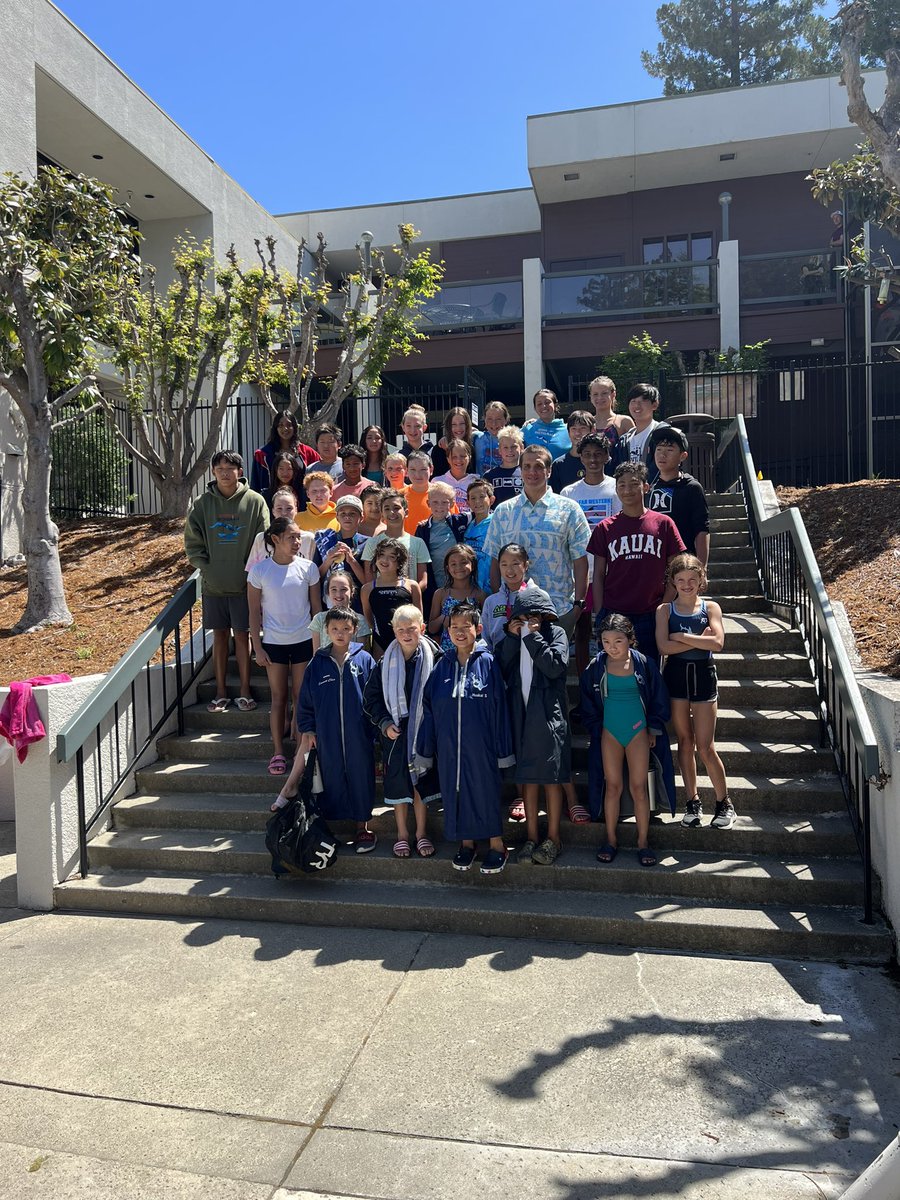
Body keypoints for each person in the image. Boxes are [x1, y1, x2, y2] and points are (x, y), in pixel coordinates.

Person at [416, 603, 515, 874]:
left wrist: (503, 751)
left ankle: (497, 846)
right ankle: (467, 844)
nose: (460, 632)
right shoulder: (442, 666)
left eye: (466, 626)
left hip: (482, 746)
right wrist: (426, 749)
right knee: (455, 793)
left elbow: (501, 709)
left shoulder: (489, 663)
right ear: (447, 631)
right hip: (449, 748)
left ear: (478, 629)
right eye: (454, 627)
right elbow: (429, 708)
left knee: (484, 793)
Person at [578, 613, 675, 868]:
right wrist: (596, 728)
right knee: (612, 787)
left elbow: (658, 698)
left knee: (639, 788)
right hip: (610, 732)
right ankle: (610, 839)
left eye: (618, 641)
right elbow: (587, 701)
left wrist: (653, 728)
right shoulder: (596, 666)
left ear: (631, 639)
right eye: (606, 641)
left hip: (638, 731)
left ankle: (643, 842)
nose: (612, 647)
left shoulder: (645, 664)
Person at [185, 450, 269, 715]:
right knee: (220, 638)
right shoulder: (202, 504)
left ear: (240, 472)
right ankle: (221, 693)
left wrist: (253, 576)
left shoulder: (255, 501)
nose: (225, 472)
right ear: (213, 472)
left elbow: (263, 540)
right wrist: (206, 567)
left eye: (230, 468)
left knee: (242, 637)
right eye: (219, 467)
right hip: (214, 585)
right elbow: (192, 541)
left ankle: (244, 691)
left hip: (245, 586)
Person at [655, 553, 735, 830]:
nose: (686, 584)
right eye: (680, 580)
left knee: (705, 746)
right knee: (685, 743)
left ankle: (724, 803)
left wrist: (681, 637)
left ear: (701, 579)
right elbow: (663, 648)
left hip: (703, 677)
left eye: (692, 579)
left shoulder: (710, 607)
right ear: (673, 582)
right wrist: (699, 641)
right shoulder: (664, 610)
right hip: (676, 678)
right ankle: (693, 802)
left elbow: (718, 643)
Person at [292, 607, 378, 852]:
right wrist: (308, 730)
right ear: (326, 631)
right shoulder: (317, 664)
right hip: (326, 736)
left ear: (354, 631)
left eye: (346, 629)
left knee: (361, 779)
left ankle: (362, 827)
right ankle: (329, 828)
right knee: (330, 779)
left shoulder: (365, 660)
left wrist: (372, 731)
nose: (340, 634)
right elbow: (305, 701)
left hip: (358, 735)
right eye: (335, 629)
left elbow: (374, 698)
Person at [496, 586, 571, 866]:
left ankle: (553, 838)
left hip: (548, 715)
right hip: (520, 714)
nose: (529, 621)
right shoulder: (513, 637)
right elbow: (500, 668)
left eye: (535, 616)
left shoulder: (556, 634)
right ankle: (530, 837)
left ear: (546, 616)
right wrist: (514, 637)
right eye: (524, 616)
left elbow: (555, 667)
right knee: (526, 776)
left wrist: (534, 637)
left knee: (551, 777)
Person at [485, 444, 590, 633]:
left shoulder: (569, 509)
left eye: (539, 466)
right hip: (514, 614)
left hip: (559, 610)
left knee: (555, 663)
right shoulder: (503, 512)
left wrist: (578, 606)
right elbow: (494, 561)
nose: (532, 472)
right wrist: (501, 602)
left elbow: (581, 561)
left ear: (549, 471)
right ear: (520, 469)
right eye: (527, 466)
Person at [363, 604, 441, 858]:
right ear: (393, 631)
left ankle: (420, 833)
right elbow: (371, 699)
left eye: (412, 628)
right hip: (395, 735)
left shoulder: (435, 659)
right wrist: (384, 723)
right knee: (398, 784)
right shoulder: (385, 662)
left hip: (422, 732)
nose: (406, 634)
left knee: (420, 783)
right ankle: (402, 835)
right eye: (400, 629)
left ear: (423, 628)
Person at [589, 461, 685, 664]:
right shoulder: (605, 528)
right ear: (615, 489)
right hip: (613, 612)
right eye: (621, 485)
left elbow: (676, 571)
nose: (627, 490)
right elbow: (598, 574)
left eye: (633, 484)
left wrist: (663, 608)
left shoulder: (663, 524)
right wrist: (599, 611)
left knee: (649, 671)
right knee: (613, 669)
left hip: (650, 612)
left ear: (646, 486)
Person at [247, 517, 321, 776]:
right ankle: (278, 751)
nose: (297, 541)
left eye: (299, 536)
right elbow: (254, 613)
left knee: (301, 697)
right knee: (278, 698)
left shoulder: (309, 567)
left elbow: (316, 610)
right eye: (291, 537)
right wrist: (257, 647)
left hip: (303, 641)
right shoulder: (259, 571)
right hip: (274, 644)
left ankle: (302, 751)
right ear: (275, 539)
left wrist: (317, 645)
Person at [480, 541, 534, 825]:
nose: (510, 570)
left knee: (526, 733)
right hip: (499, 671)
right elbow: (486, 640)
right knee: (507, 732)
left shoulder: (537, 596)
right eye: (504, 564)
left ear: (526, 565)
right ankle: (513, 791)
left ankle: (528, 794)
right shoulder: (491, 602)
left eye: (516, 564)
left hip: (528, 673)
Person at [562, 433, 621, 676]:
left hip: (610, 574)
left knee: (610, 631)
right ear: (580, 458)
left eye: (598, 454)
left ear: (607, 457)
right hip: (580, 575)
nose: (593, 459)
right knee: (584, 633)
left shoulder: (618, 487)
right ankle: (588, 683)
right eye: (587, 455)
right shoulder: (568, 493)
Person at [648, 427, 710, 567]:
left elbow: (702, 529)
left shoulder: (691, 487)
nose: (662, 455)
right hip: (653, 565)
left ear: (683, 455)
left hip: (683, 565)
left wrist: (702, 567)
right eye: (659, 449)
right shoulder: (648, 488)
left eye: (669, 450)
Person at [361, 537, 424, 657]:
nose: (385, 560)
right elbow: (369, 620)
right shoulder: (367, 589)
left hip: (407, 640)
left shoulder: (411, 586)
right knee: (382, 673)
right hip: (380, 642)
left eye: (392, 557)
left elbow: (419, 618)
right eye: (381, 555)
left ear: (400, 562)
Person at [361, 489, 431, 590]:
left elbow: (423, 581)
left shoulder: (418, 543)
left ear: (406, 512)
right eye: (387, 509)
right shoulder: (372, 543)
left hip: (409, 602)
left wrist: (407, 595)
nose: (392, 512)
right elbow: (369, 579)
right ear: (382, 514)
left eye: (396, 508)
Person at [428, 544, 487, 652]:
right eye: (453, 564)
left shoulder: (480, 595)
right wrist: (444, 619)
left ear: (472, 565)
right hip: (447, 653)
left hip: (472, 652)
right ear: (448, 568)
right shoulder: (441, 594)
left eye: (464, 562)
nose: (458, 567)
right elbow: (431, 628)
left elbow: (485, 628)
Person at [415, 480, 468, 600]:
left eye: (444, 502)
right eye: (435, 502)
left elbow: (478, 515)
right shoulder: (423, 529)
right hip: (435, 581)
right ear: (428, 503)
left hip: (460, 579)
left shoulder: (460, 521)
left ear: (452, 503)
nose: (439, 506)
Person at [613, 384, 674, 484]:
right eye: (633, 401)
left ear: (655, 405)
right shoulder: (624, 440)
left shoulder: (662, 433)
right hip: (630, 495)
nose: (637, 406)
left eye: (643, 401)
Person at [249, 410, 317, 497]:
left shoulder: (308, 452)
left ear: (295, 427)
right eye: (280, 425)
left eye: (289, 425)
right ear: (275, 428)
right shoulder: (262, 455)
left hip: (301, 505)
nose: (285, 428)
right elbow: (255, 485)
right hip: (271, 504)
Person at [245, 487, 314, 570]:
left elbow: (313, 572)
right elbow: (251, 572)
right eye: (279, 508)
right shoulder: (261, 538)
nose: (284, 513)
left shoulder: (308, 539)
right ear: (273, 511)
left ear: (296, 510)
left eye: (289, 508)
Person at [313, 494, 368, 597]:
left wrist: (352, 561)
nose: (347, 517)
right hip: (330, 602)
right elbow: (314, 578)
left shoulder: (367, 543)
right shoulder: (326, 540)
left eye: (352, 514)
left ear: (361, 517)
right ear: (337, 517)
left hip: (358, 603)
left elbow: (368, 582)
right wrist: (328, 560)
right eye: (343, 514)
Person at [309, 569, 371, 650]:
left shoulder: (360, 620)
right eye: (334, 589)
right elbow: (316, 655)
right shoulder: (319, 619)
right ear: (328, 592)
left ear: (352, 591)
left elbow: (361, 656)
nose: (338, 594)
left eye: (343, 589)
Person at [588, 376, 634, 472]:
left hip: (619, 478)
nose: (599, 398)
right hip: (592, 477)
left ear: (613, 394)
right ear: (591, 397)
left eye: (604, 393)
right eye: (595, 394)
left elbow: (634, 452)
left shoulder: (624, 422)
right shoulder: (587, 422)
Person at [549, 410, 596, 493]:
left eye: (583, 428)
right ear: (568, 432)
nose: (577, 433)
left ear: (593, 430)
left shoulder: (602, 461)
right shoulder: (558, 465)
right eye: (573, 429)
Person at [464, 478, 494, 593]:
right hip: (471, 587)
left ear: (491, 500)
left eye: (482, 497)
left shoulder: (497, 523)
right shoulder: (468, 526)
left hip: (491, 585)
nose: (477, 501)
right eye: (473, 498)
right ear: (468, 503)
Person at [433, 439, 479, 513]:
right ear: (448, 459)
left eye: (463, 456)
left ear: (469, 458)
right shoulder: (437, 482)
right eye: (454, 457)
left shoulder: (477, 481)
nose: (458, 460)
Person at [522, 389, 571, 460]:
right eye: (539, 404)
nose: (543, 406)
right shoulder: (527, 429)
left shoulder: (569, 430)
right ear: (535, 408)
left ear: (555, 405)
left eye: (547, 402)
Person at [430, 406, 477, 477]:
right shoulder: (439, 449)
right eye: (454, 425)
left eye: (462, 424)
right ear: (449, 427)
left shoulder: (472, 448)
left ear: (467, 425)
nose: (458, 428)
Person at [485, 425, 524, 503]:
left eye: (514, 447)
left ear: (521, 447)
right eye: (505, 447)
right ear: (499, 450)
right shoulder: (490, 475)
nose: (510, 450)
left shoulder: (527, 473)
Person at [403, 451, 436, 534]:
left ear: (431, 469)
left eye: (423, 469)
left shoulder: (442, 495)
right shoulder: (399, 496)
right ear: (406, 471)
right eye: (413, 469)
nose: (417, 474)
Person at [474, 401, 509, 475]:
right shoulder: (476, 437)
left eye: (498, 419)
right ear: (484, 420)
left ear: (506, 420)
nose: (494, 423)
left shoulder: (513, 440)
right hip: (482, 485)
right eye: (489, 419)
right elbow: (458, 435)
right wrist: (445, 438)